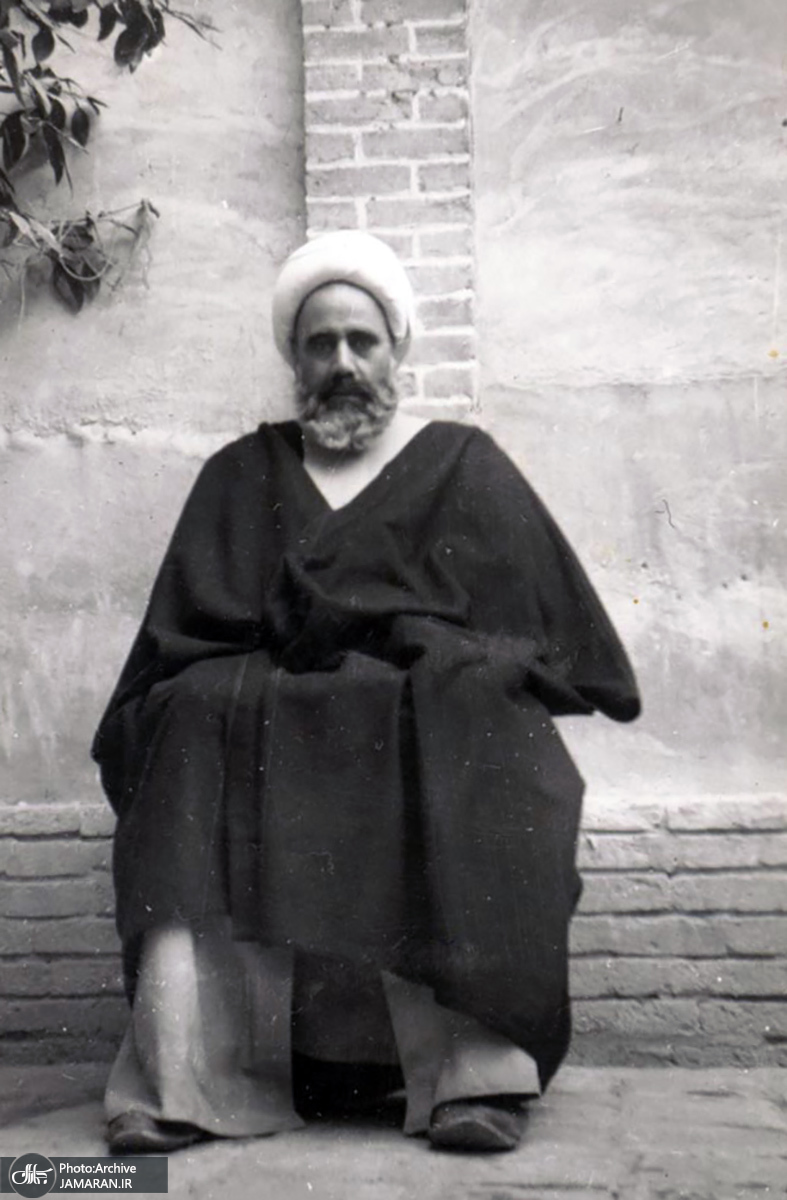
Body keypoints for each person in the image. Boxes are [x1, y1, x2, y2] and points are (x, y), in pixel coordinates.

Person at [92, 231, 640, 1157]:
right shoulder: (240, 474)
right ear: (293, 358)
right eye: (321, 343)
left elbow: (535, 638)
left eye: (362, 341)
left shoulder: (460, 463)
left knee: (476, 713)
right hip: (267, 698)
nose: (342, 362)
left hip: (411, 699)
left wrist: (433, 655)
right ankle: (183, 1083)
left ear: (396, 350)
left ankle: (473, 1077)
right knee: (185, 716)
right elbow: (182, 635)